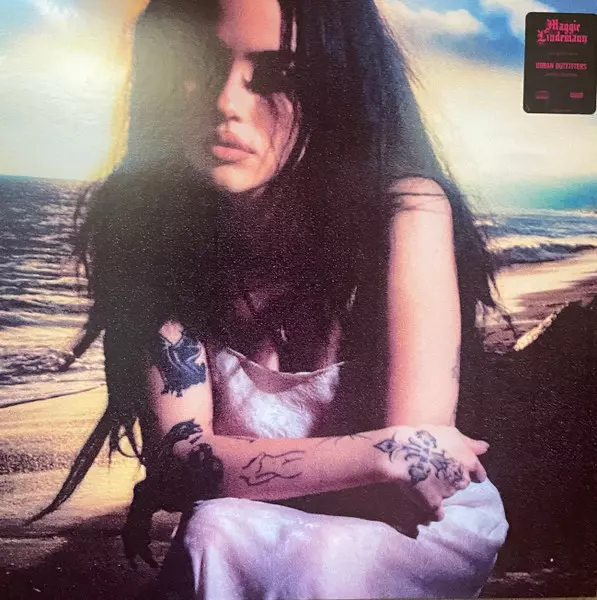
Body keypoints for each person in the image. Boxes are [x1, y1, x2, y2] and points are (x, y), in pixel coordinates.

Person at [34, 0, 508, 597]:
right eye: (199, 62)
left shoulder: (405, 210)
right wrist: (376, 454)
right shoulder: (156, 233)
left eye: (277, 73)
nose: (224, 102)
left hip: (406, 532)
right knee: (216, 533)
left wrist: (230, 471)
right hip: (247, 526)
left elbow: (420, 473)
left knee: (241, 537)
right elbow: (180, 460)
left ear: (336, 85)